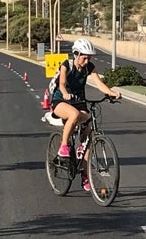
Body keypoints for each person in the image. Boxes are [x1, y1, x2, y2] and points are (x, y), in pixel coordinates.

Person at [51, 38, 121, 192]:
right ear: (76, 54)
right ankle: (63, 146)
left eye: (89, 57)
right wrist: (65, 94)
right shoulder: (66, 65)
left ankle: (85, 174)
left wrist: (112, 93)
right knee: (74, 115)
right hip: (60, 101)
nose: (87, 60)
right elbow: (62, 84)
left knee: (88, 134)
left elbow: (99, 83)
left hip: (79, 101)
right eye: (84, 57)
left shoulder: (89, 67)